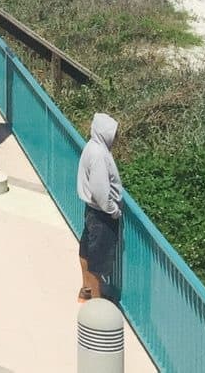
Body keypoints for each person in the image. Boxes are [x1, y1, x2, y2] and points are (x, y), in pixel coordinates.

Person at [77, 113, 123, 302]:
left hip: (92, 210)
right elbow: (100, 190)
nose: (116, 137)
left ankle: (86, 290)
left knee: (87, 250)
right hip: (101, 214)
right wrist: (114, 211)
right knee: (97, 258)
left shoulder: (91, 147)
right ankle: (96, 303)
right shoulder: (99, 155)